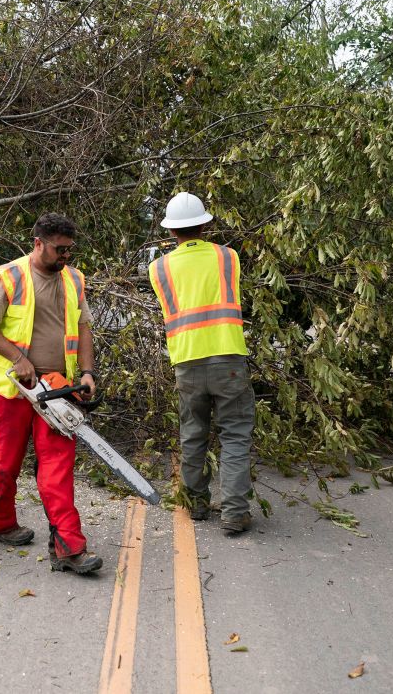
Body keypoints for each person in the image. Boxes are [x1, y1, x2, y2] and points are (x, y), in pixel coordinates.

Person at [0, 213, 103, 575]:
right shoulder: (9, 277)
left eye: (69, 251)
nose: (65, 257)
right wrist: (17, 357)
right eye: (59, 250)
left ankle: (68, 547)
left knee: (57, 466)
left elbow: (83, 326)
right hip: (13, 388)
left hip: (58, 388)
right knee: (4, 462)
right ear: (38, 243)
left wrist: (87, 372)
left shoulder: (74, 279)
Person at [147, 192, 256, 534]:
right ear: (206, 224)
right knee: (235, 435)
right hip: (228, 359)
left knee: (193, 435)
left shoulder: (158, 268)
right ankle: (235, 512)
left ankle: (196, 504)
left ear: (170, 231)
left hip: (187, 362)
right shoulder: (228, 258)